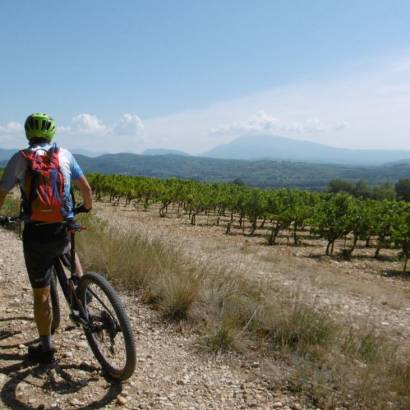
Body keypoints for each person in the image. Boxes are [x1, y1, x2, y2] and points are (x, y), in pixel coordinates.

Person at [0, 112, 92, 364]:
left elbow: (2, 192)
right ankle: (83, 293)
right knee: (69, 252)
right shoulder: (66, 155)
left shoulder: (19, 159)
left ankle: (46, 348)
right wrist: (85, 208)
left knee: (41, 293)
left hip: (36, 233)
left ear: (28, 133)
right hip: (62, 227)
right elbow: (86, 189)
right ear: (52, 132)